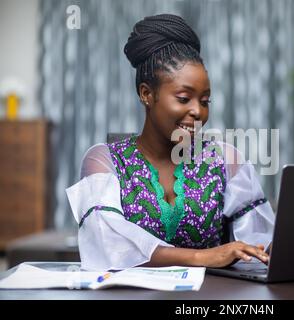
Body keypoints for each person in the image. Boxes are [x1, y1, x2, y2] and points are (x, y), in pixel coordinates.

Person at [66, 14, 274, 271]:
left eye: (205, 101)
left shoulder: (225, 160)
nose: (198, 111)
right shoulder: (104, 160)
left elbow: (259, 244)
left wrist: (270, 248)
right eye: (184, 98)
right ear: (147, 94)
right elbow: (106, 242)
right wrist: (202, 257)